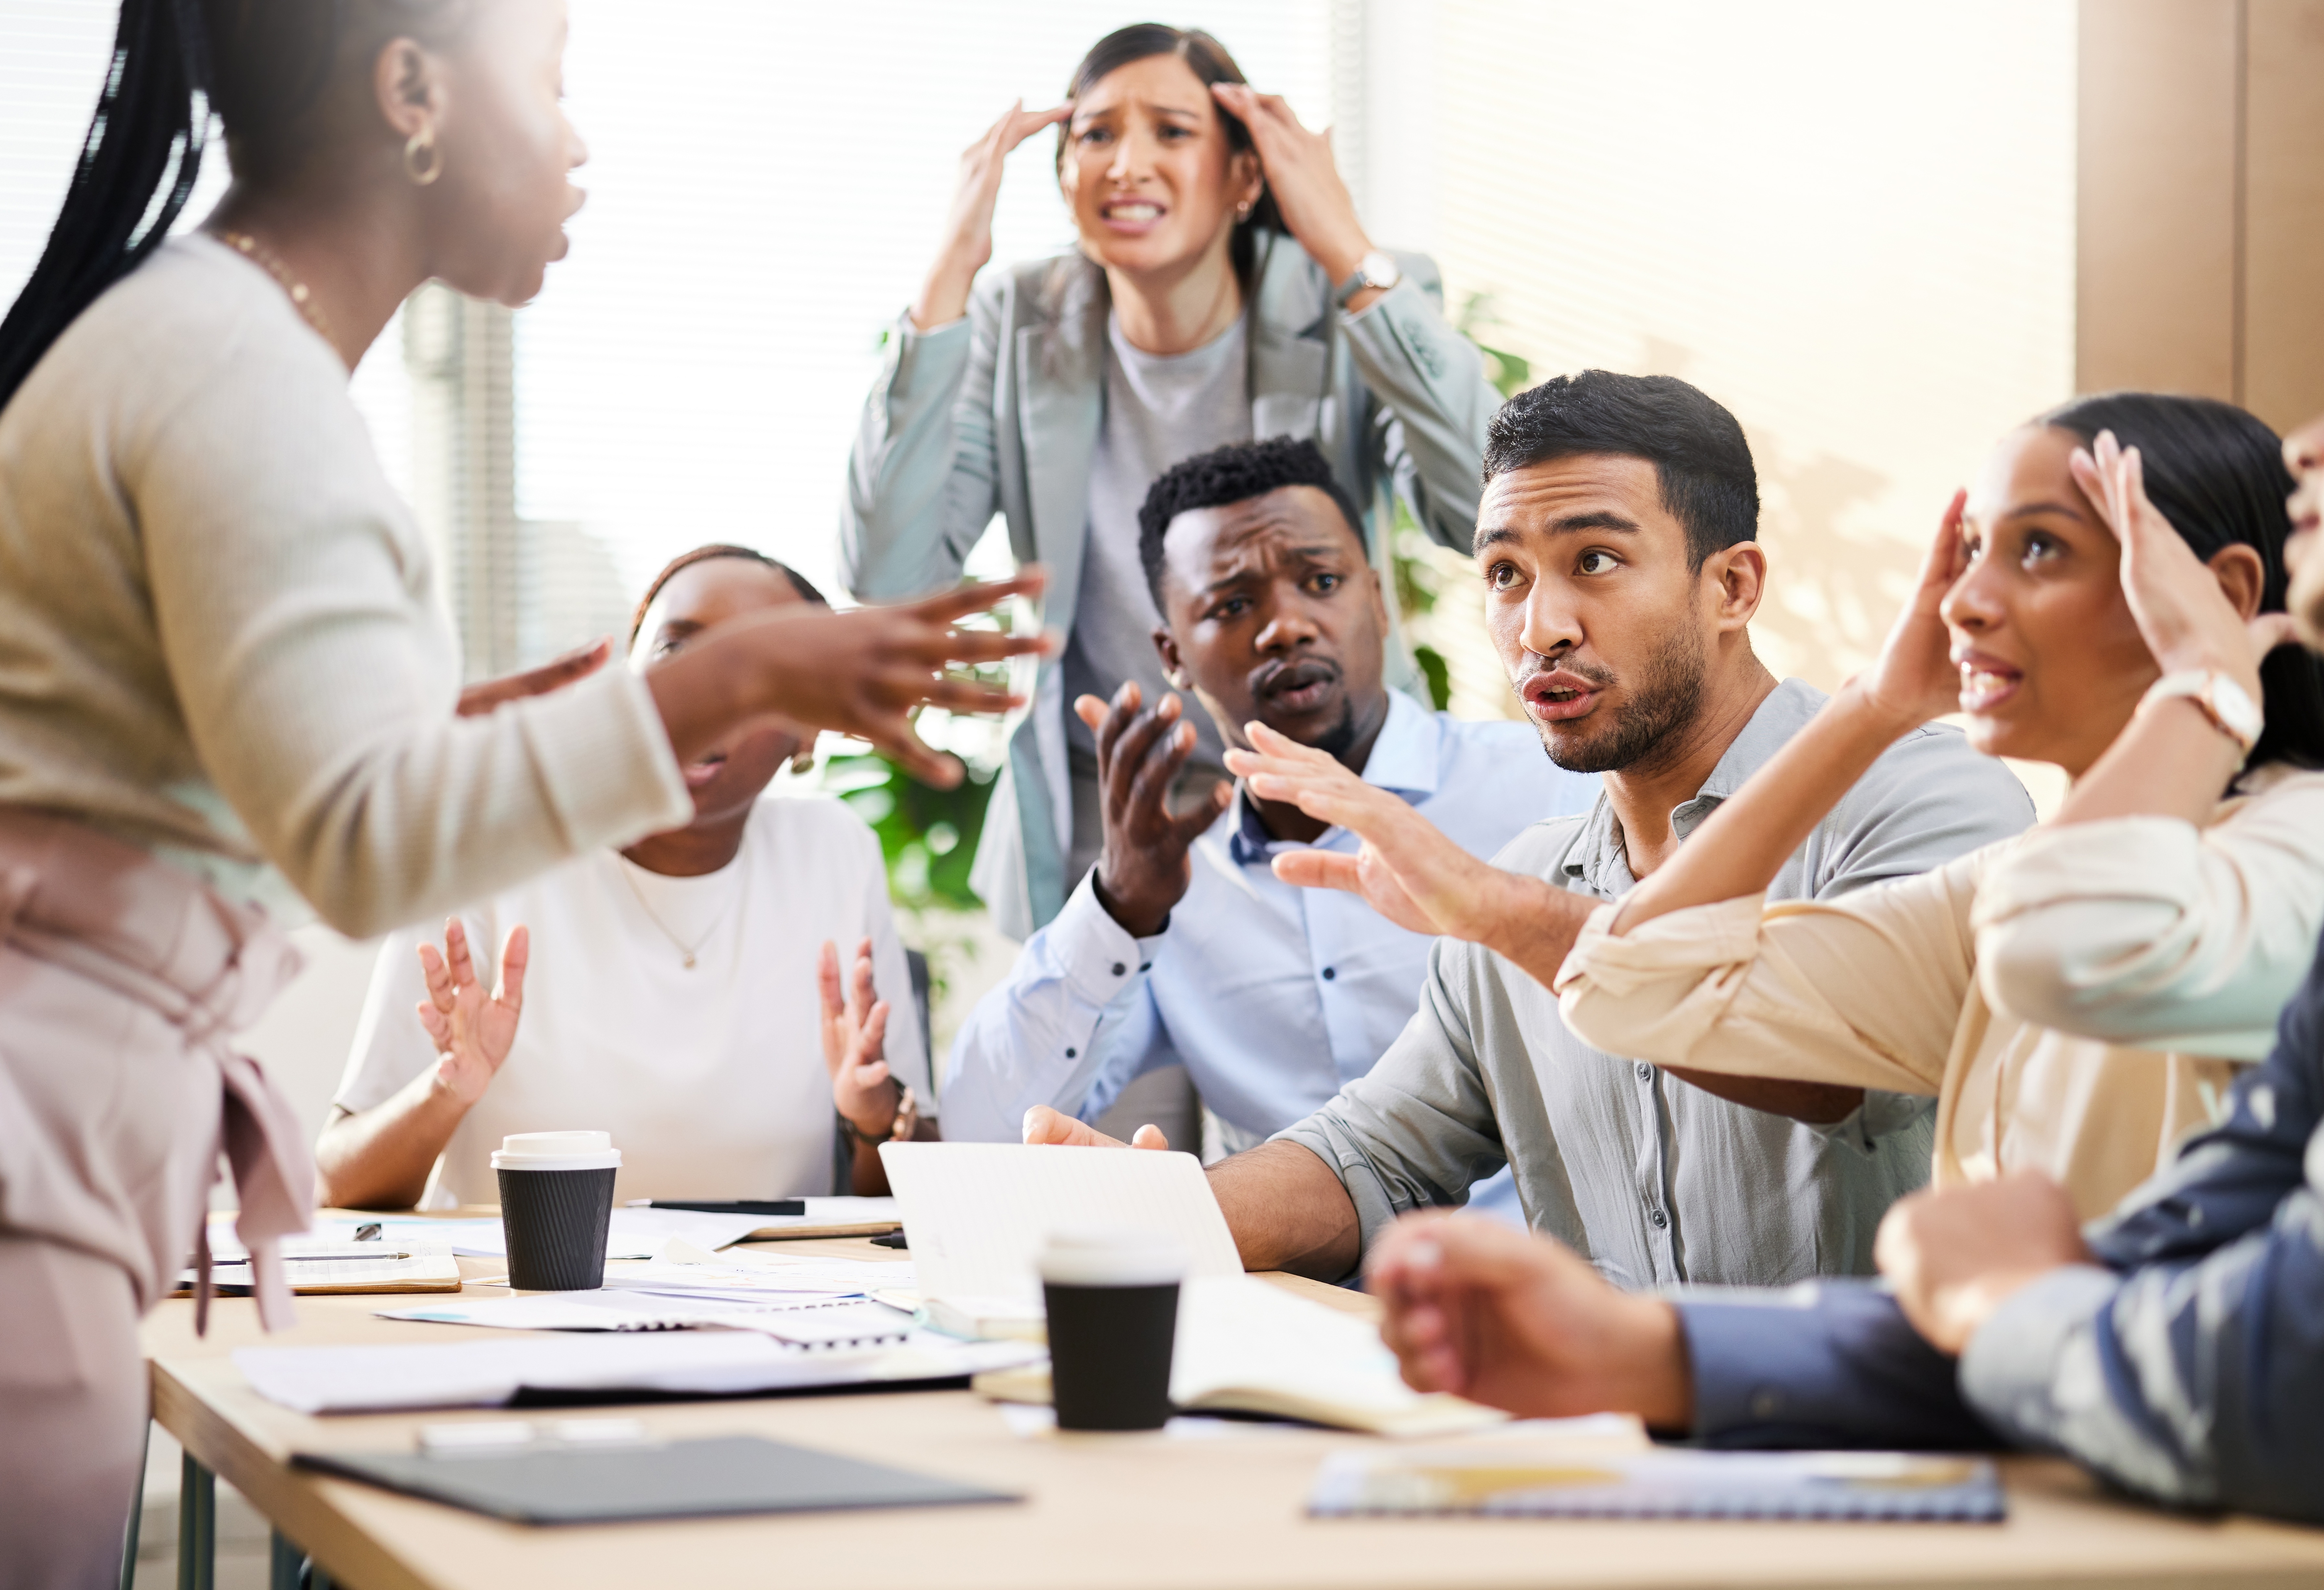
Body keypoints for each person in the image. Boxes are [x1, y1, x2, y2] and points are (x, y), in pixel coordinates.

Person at [0, 6, 1038, 1583]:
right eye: (550, 81)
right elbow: (363, 847)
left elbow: (220, 776)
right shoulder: (235, 370)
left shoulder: (211, 347)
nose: (575, 138)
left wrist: (452, 724)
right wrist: (729, 685)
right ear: (410, 90)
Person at [1360, 370, 2324, 1530]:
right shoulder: (2028, 889)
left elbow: (2067, 947)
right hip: (2046, 1510)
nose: (1964, 603)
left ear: (2216, 592)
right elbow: (1629, 985)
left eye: (2036, 550)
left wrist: (2204, 683)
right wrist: (1875, 703)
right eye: (1969, 553)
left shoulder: (2320, 841)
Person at [1023, 373, 2035, 1288]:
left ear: (1732, 586)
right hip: (1598, 1453)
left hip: (1878, 1464)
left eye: (1594, 559)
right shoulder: (1534, 875)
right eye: (1506, 573)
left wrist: (1499, 914)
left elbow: (1840, 1069)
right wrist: (1152, 1208)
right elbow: (1374, 1155)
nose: (1540, 625)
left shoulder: (1924, 795)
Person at [841, 22, 1499, 945]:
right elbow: (890, 576)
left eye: (1172, 131)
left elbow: (1487, 509)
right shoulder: (1017, 321)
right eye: (1097, 135)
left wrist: (1350, 253)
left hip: (1324, 802)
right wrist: (950, 269)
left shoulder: (1340, 299)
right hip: (1102, 826)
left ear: (1244, 176)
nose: (1127, 163)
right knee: (1077, 1092)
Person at [936, 439, 1593, 1171]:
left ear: (1376, 601)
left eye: (1320, 580)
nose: (1285, 625)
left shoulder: (1556, 787)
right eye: (1233, 604)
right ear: (1172, 656)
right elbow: (977, 1131)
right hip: (1278, 1282)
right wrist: (1118, 909)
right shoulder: (1170, 895)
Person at [320, 547, 935, 1210]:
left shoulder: (834, 852)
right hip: (524, 1299)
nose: (712, 693)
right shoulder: (491, 844)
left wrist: (876, 1116)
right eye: (678, 652)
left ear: (810, 731)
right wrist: (447, 1091)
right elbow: (338, 1183)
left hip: (773, 1303)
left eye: (761, 668)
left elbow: (920, 1191)